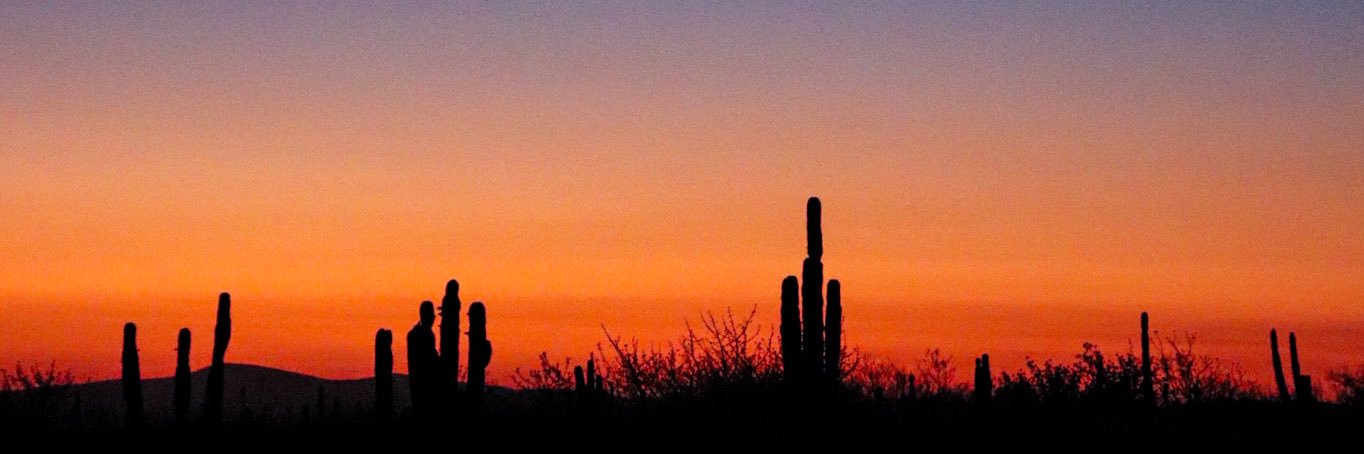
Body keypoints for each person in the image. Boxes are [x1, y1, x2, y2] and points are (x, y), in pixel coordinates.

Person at [406, 301, 440, 422]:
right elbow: (430, 360)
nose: (433, 320)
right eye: (432, 316)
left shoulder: (413, 335)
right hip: (425, 388)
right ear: (426, 316)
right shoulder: (424, 335)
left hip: (418, 387)